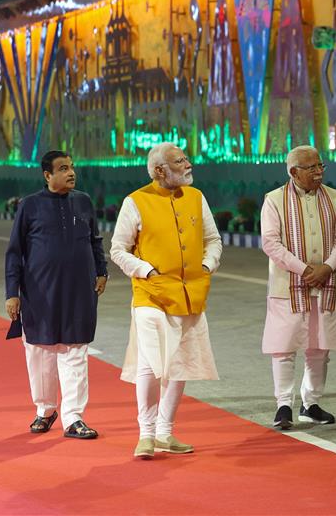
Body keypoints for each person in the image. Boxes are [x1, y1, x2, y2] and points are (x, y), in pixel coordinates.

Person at [110, 142, 222, 459]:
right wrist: (146, 270)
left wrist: (207, 265)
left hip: (191, 294)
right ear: (160, 170)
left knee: (180, 363)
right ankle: (145, 435)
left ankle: (165, 433)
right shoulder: (136, 202)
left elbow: (213, 239)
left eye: (186, 158)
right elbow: (118, 249)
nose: (188, 164)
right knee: (151, 363)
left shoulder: (197, 197)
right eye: (180, 161)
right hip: (151, 294)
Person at [5, 150, 107, 440]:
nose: (71, 173)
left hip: (79, 292)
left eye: (72, 167)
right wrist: (12, 293)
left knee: (75, 351)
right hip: (39, 294)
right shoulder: (30, 206)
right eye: (63, 168)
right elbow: (15, 252)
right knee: (40, 353)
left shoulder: (84, 202)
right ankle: (45, 409)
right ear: (47, 175)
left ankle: (74, 418)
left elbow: (95, 241)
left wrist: (102, 271)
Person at [260, 145, 336, 430]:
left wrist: (326, 267)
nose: (318, 172)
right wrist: (304, 270)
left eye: (320, 166)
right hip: (287, 286)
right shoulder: (274, 200)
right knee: (284, 347)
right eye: (311, 167)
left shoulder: (334, 197)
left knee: (319, 347)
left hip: (326, 284)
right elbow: (271, 243)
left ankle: (310, 403)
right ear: (293, 172)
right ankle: (283, 405)